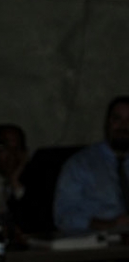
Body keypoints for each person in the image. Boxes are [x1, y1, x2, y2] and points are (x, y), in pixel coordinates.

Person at [53, 96, 129, 233]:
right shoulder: (80, 165)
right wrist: (109, 224)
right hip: (101, 245)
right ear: (107, 124)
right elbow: (63, 216)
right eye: (117, 119)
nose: (124, 126)